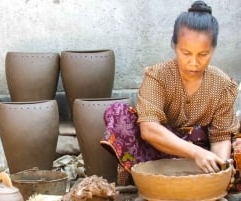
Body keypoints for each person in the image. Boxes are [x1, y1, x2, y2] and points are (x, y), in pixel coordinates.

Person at [100, 0, 240, 179]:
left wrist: (219, 170)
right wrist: (195, 152)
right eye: (186, 53)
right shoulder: (158, 76)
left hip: (201, 159)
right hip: (157, 153)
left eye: (203, 54)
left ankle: (198, 180)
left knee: (237, 152)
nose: (194, 62)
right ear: (174, 45)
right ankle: (146, 176)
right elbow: (149, 129)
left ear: (213, 49)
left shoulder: (222, 85)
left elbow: (220, 138)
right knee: (118, 113)